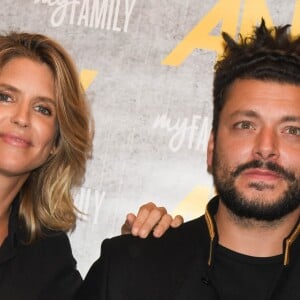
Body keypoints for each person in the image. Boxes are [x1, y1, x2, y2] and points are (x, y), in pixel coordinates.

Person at [77, 19, 300, 300]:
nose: (266, 148)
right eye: (246, 125)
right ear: (211, 147)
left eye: (292, 130)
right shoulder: (127, 269)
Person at [0, 31, 183, 300]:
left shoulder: (45, 252)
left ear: (55, 143)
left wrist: (135, 250)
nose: (22, 118)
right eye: (5, 97)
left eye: (43, 109)